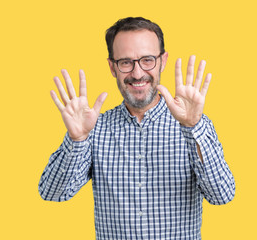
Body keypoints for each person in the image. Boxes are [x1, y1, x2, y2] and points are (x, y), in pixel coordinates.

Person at [38, 17, 235, 240]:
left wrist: (193, 127)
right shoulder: (94, 127)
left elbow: (223, 195)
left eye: (147, 60)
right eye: (126, 62)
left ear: (163, 61)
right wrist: (77, 139)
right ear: (112, 67)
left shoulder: (195, 126)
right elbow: (52, 193)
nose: (138, 73)